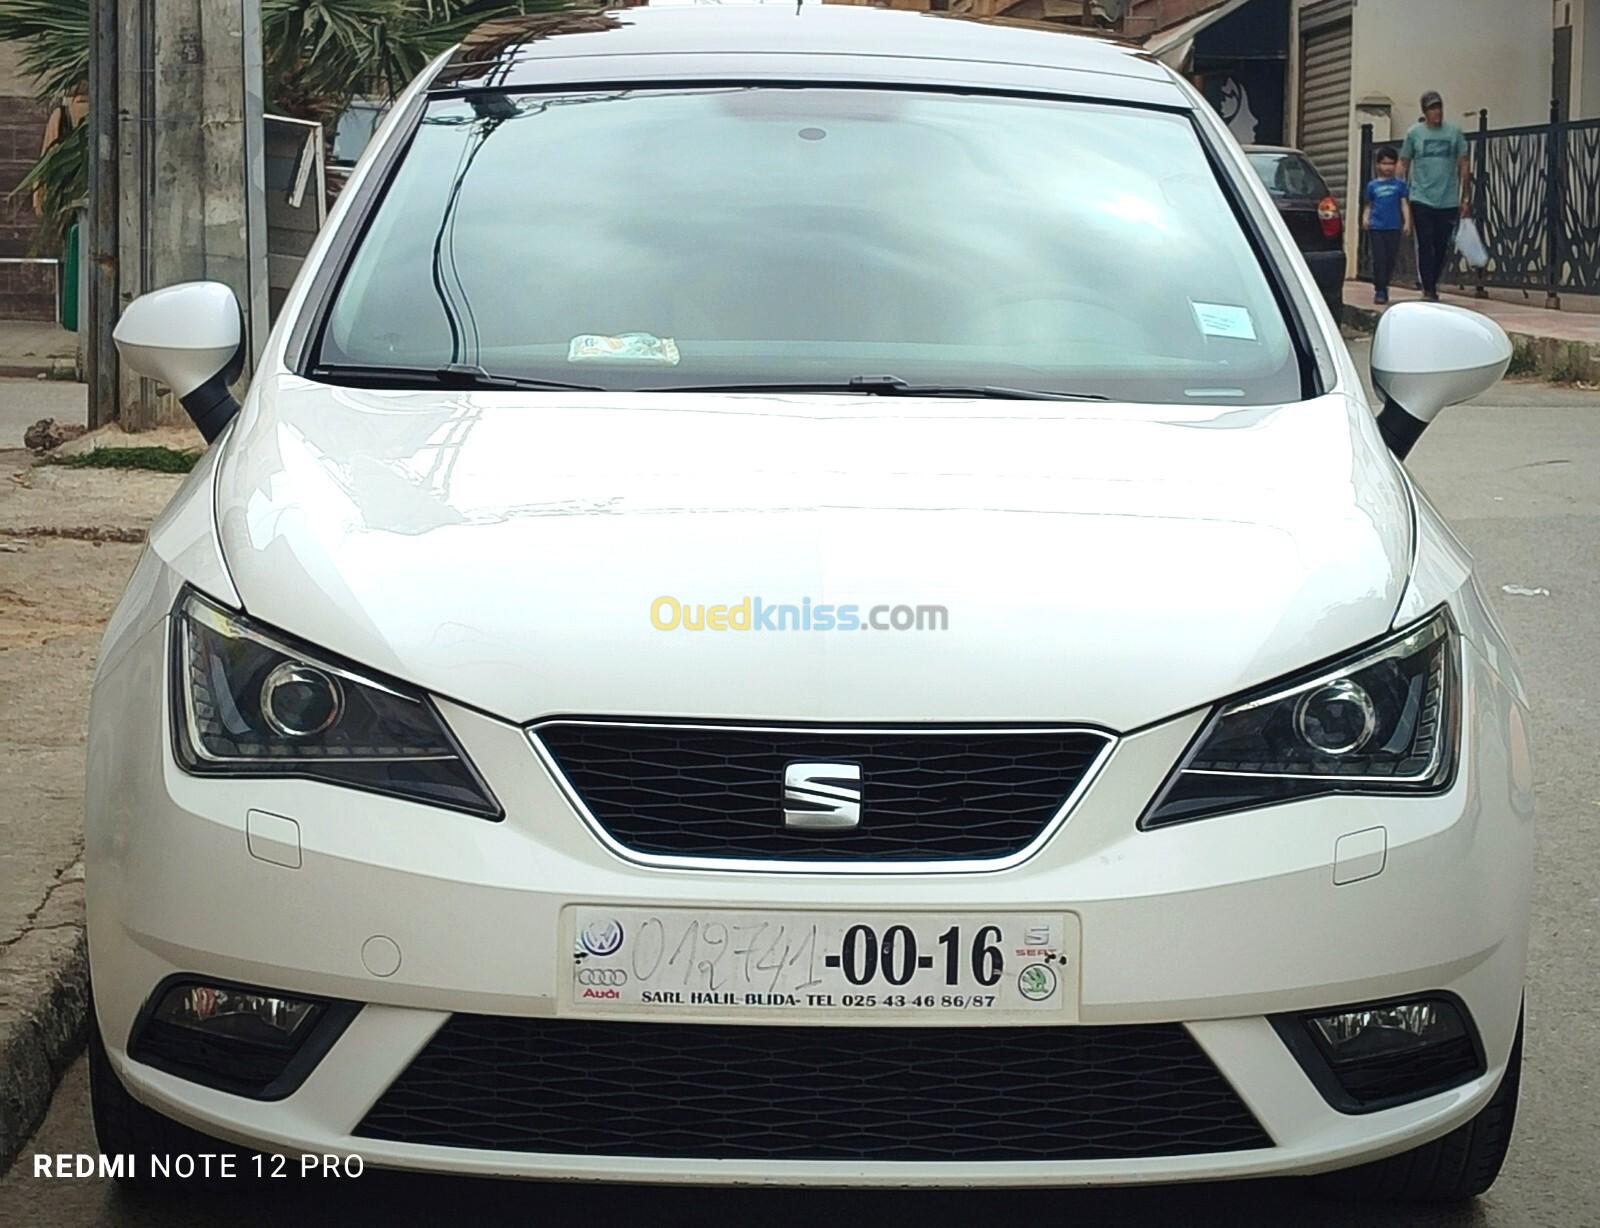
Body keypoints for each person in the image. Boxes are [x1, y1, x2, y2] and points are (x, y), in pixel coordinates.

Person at [1398, 90, 1470, 301]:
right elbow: (1404, 161)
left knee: (1441, 244)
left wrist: (1466, 197)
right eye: (1431, 108)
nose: (1436, 112)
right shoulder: (1414, 134)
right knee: (1426, 242)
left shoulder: (1454, 132)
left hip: (1447, 198)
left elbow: (1464, 163)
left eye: (1438, 107)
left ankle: (1433, 280)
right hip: (1421, 197)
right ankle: (1428, 288)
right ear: (1424, 111)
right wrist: (1396, 189)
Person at [1362, 147, 1411, 305]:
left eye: (1391, 163)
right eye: (1384, 163)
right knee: (1379, 258)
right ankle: (1380, 289)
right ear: (1378, 165)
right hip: (1377, 227)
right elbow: (1369, 205)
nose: (1388, 167)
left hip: (1393, 227)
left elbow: (1404, 204)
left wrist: (1407, 222)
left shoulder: (1400, 185)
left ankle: (1385, 284)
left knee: (1390, 259)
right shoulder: (1373, 186)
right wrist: (1365, 218)